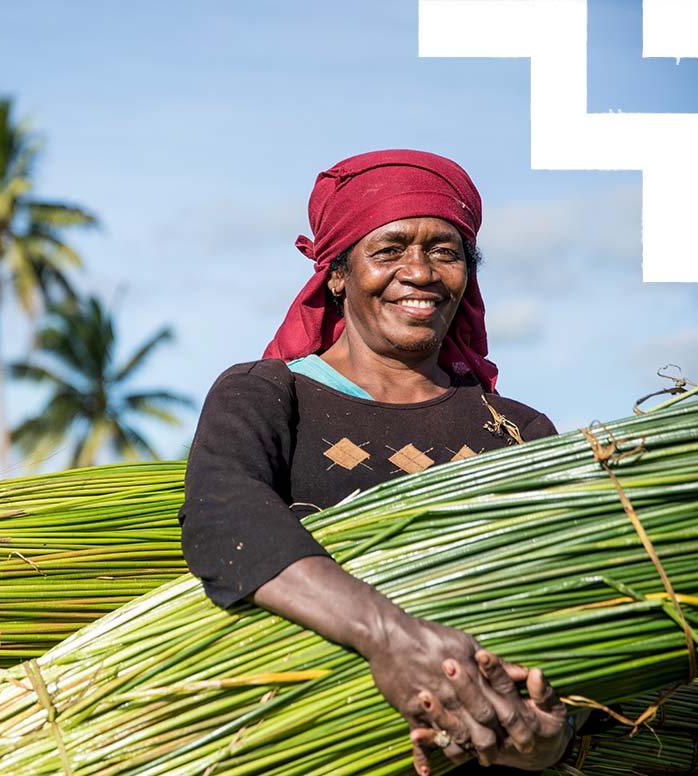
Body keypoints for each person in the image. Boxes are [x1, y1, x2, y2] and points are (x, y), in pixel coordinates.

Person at [180, 149, 574, 774]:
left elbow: (569, 597)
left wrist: (554, 737)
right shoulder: (269, 392)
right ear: (336, 274)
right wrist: (388, 638)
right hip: (303, 747)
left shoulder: (518, 430)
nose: (418, 271)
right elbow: (223, 514)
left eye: (445, 251)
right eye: (389, 250)